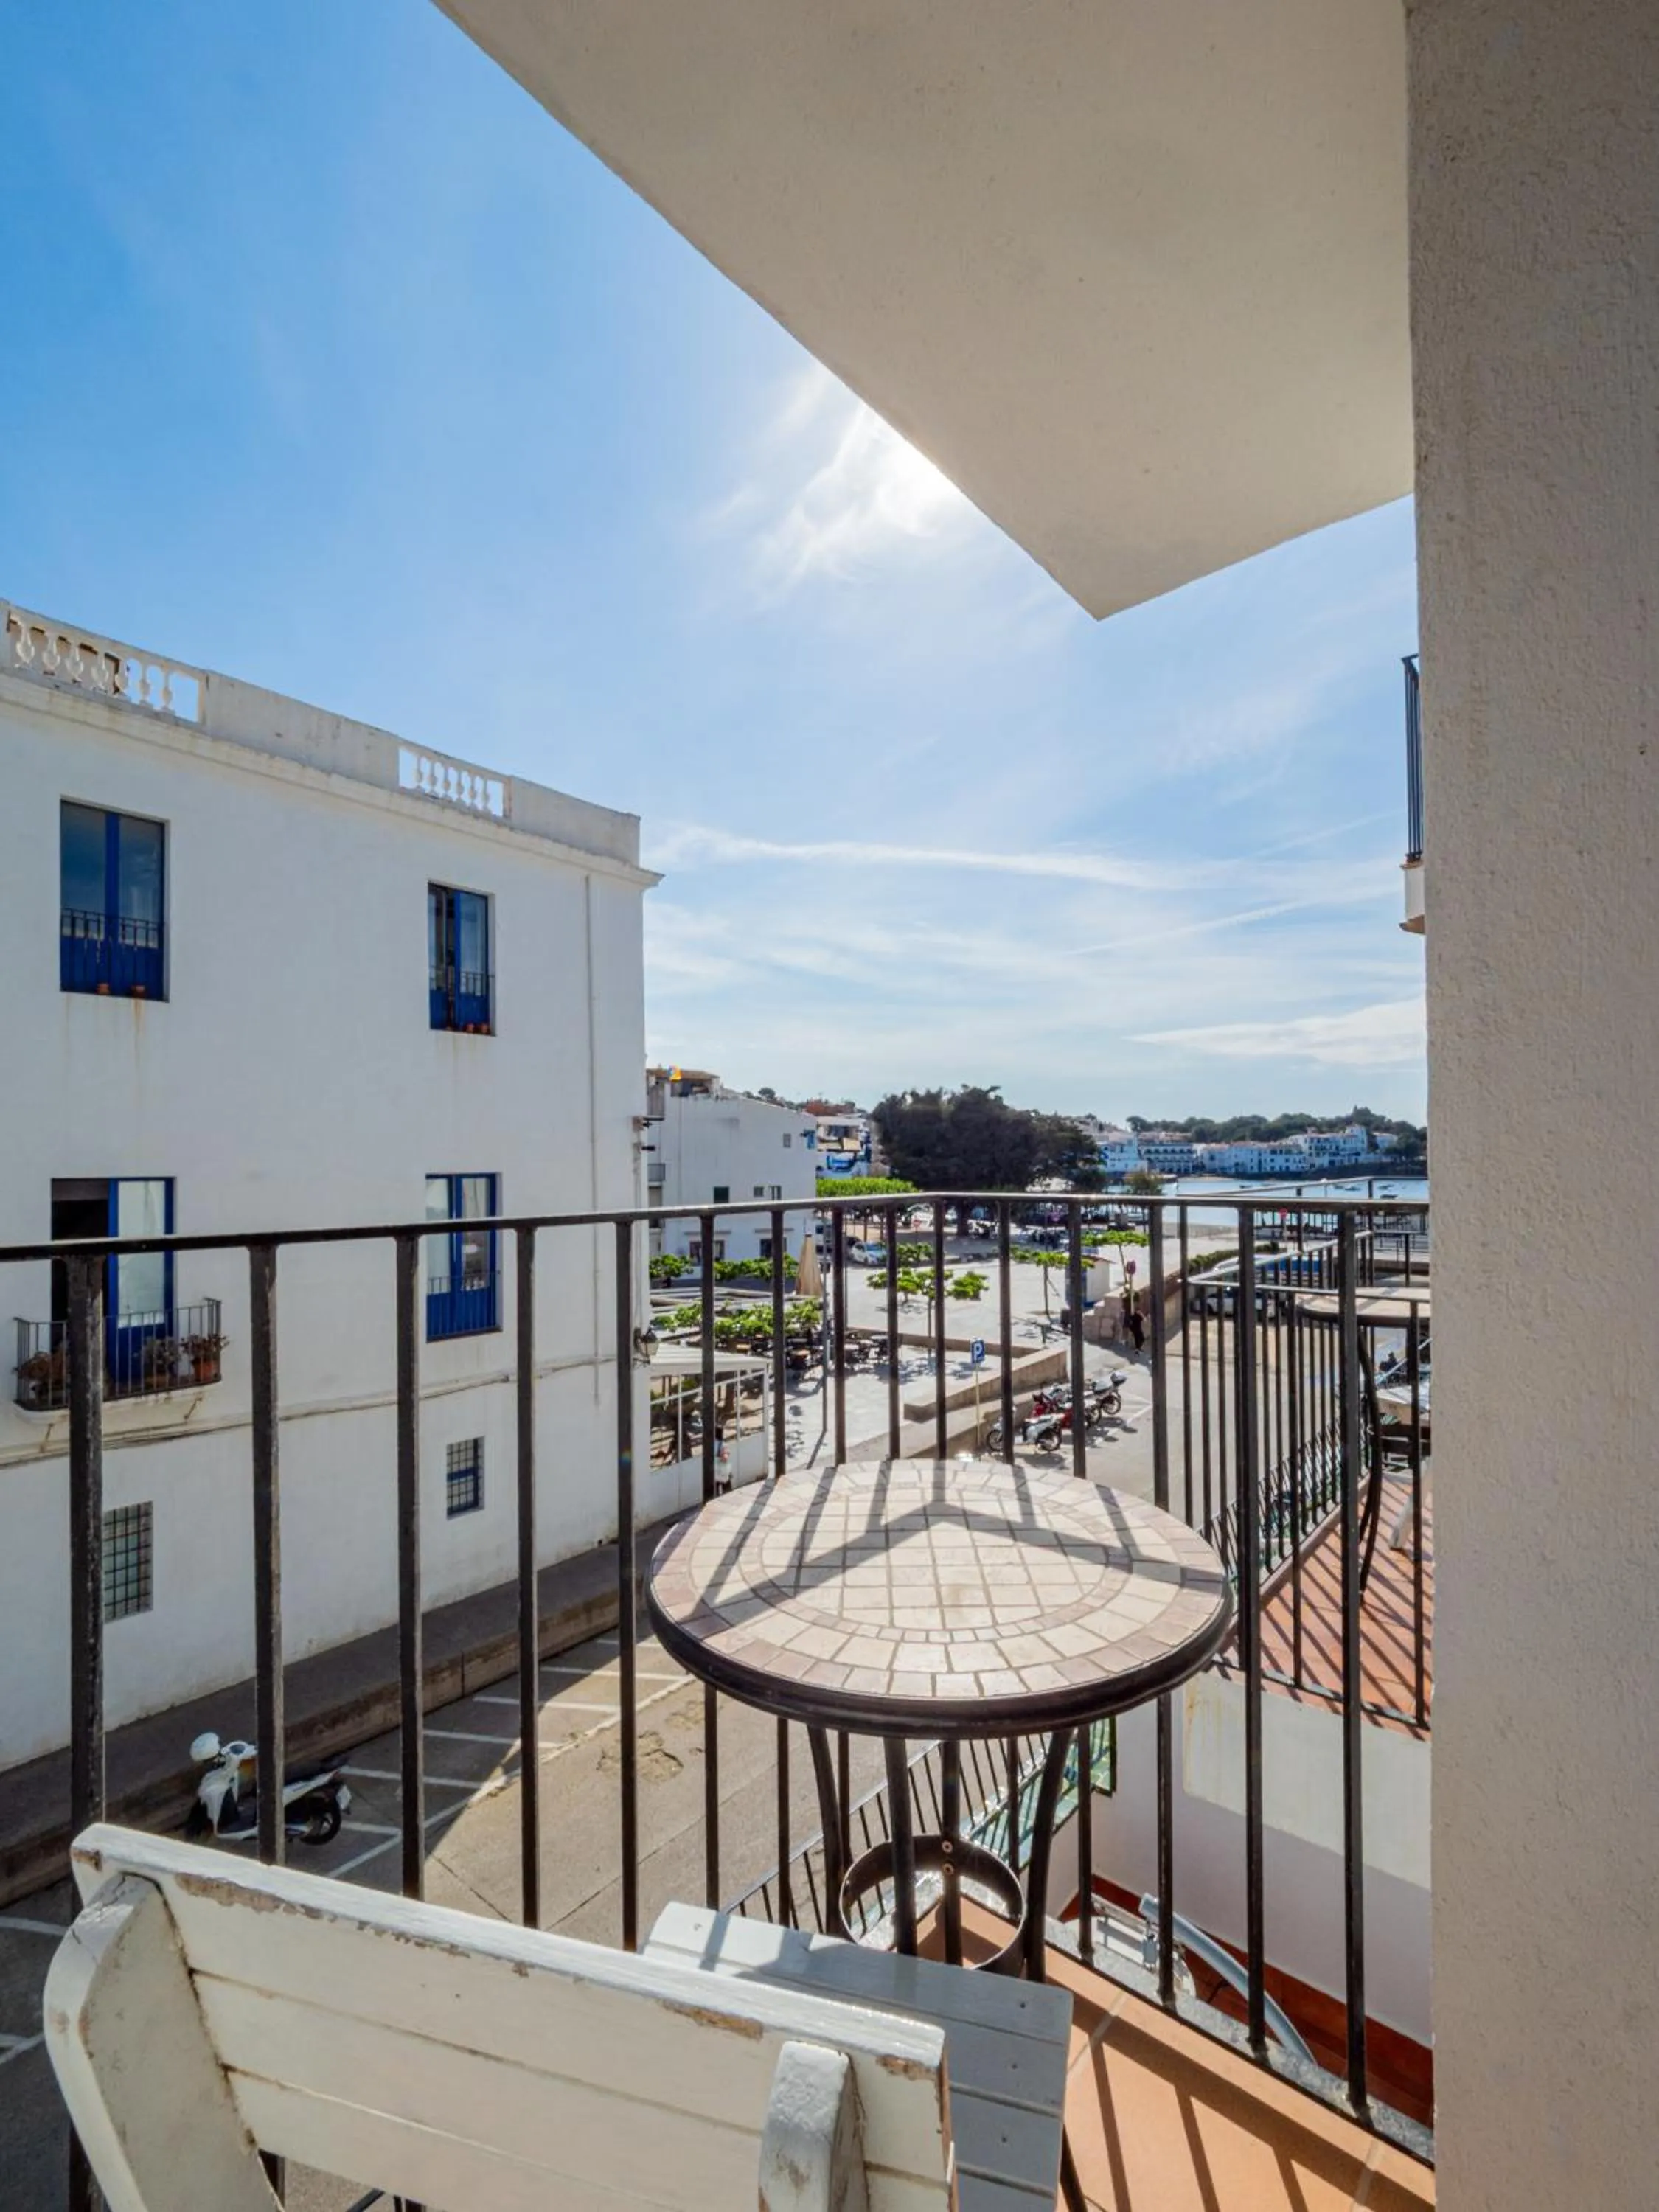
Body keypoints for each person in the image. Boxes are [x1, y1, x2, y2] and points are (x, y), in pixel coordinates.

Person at [1127, 1289, 1147, 1354]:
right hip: (1137, 1329)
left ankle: (1138, 1348)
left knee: (1137, 1339)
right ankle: (1138, 1349)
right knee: (1141, 1339)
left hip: (1134, 1329)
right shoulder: (1138, 1316)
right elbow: (1144, 1319)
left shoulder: (1134, 1315)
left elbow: (1130, 1318)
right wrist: (1142, 1315)